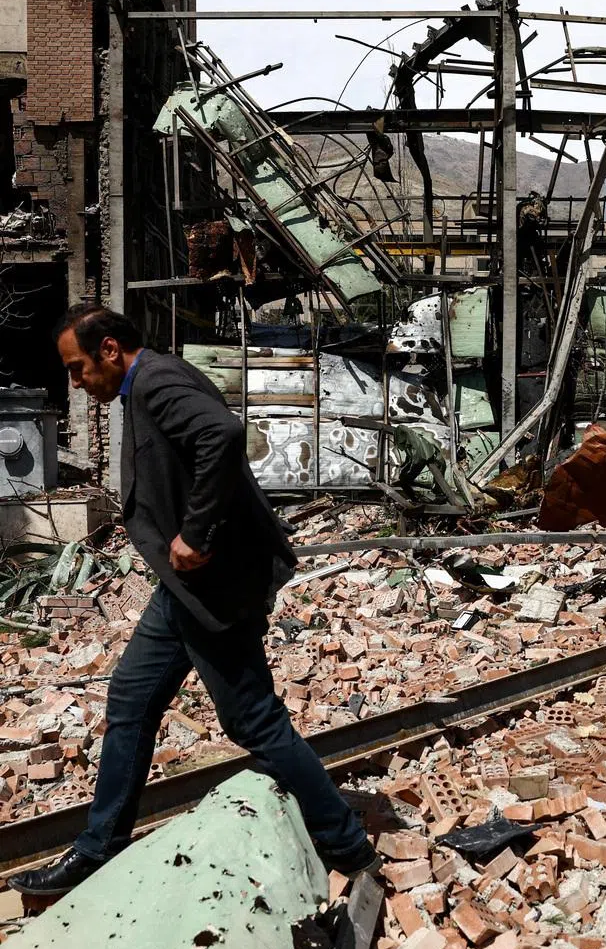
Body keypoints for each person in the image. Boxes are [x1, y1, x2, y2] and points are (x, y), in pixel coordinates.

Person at [10, 305, 375, 896]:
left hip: (212, 582)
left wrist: (195, 534)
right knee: (131, 696)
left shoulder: (155, 380)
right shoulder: (146, 383)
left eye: (77, 369)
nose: (75, 383)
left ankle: (347, 844)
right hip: (180, 588)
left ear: (108, 350)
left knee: (252, 718)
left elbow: (221, 436)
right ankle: (98, 848)